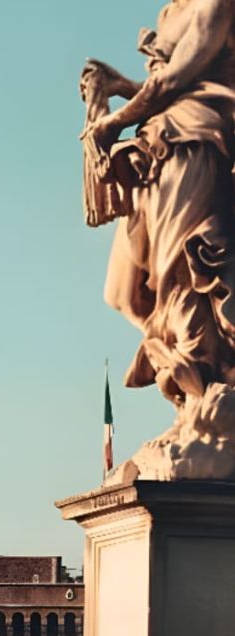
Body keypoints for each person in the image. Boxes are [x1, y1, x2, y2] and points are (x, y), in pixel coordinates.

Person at [82, 0, 235, 415]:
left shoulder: (216, 5)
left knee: (182, 275)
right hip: (154, 154)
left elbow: (175, 80)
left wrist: (113, 123)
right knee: (124, 292)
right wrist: (120, 86)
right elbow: (165, 88)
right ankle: (187, 374)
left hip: (196, 145)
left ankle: (205, 397)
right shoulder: (170, 14)